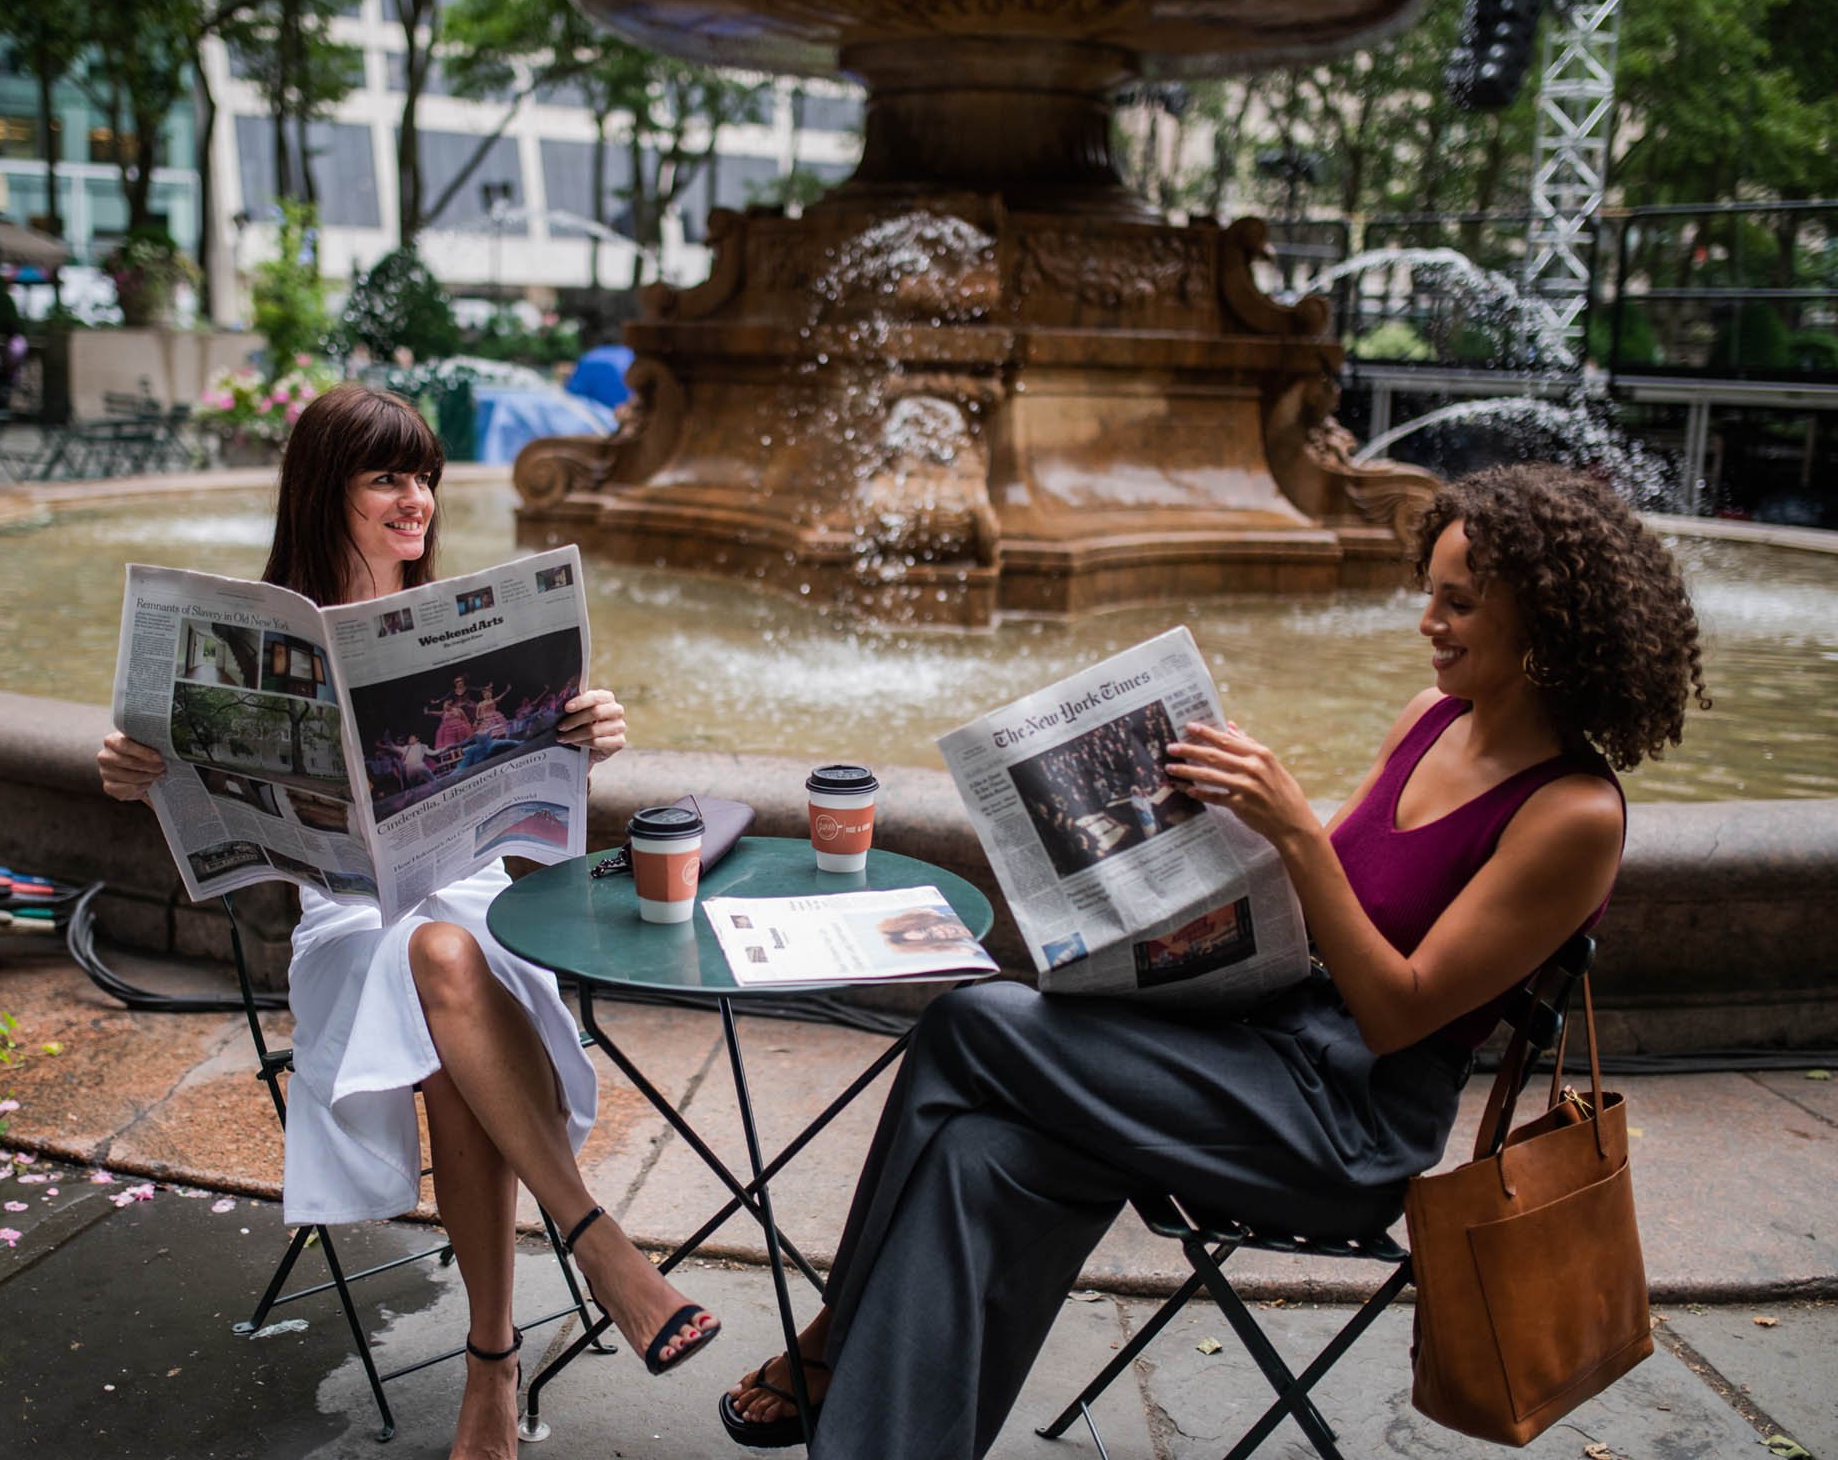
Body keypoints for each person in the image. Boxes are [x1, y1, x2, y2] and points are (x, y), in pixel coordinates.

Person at [717, 463, 1708, 1457]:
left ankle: (832, 1338)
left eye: (1458, 603)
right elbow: (1324, 914)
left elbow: (1397, 1012)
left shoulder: (1571, 815)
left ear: (1544, 619)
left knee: (973, 1022)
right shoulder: (1429, 719)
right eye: (1429, 593)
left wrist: (1294, 835)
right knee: (984, 1154)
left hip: (1341, 1128)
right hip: (1255, 1041)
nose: (1428, 622)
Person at [97, 386, 718, 1460]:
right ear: (324, 489)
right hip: (342, 924)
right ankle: (595, 1255)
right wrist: (126, 766)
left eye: (424, 474)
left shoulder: (456, 625)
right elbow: (177, 776)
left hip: (473, 902)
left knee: (445, 958)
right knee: (432, 961)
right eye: (386, 475)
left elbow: (534, 773)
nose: (415, 498)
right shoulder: (253, 626)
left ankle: (495, 1357)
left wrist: (592, 730)